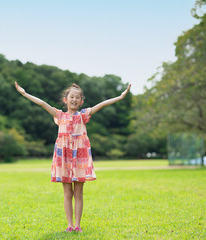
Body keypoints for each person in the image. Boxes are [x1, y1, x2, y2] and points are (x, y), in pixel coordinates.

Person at [15, 81, 131, 233]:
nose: (74, 99)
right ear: (65, 100)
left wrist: (120, 97)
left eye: (78, 97)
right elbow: (43, 103)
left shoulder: (83, 115)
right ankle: (69, 225)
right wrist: (24, 93)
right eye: (72, 97)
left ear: (81, 101)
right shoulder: (59, 115)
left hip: (80, 157)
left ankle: (77, 225)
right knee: (67, 193)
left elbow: (102, 104)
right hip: (63, 157)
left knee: (78, 193)